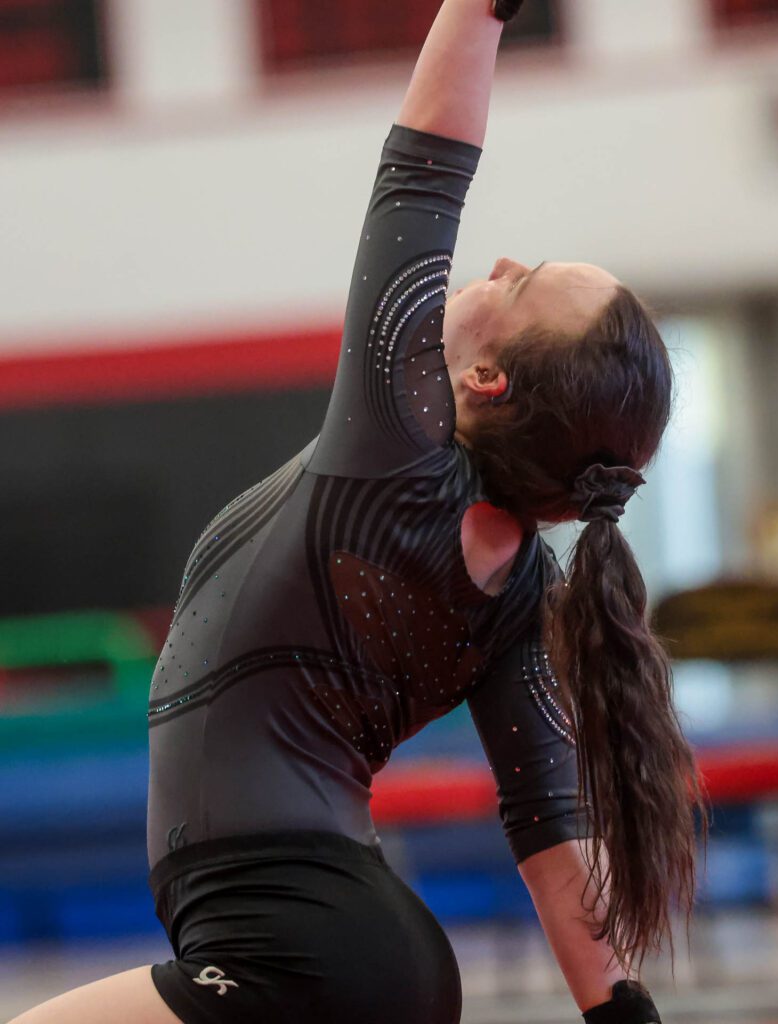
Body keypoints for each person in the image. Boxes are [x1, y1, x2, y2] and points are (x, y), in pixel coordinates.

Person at [11, 1, 706, 1022]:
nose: (503, 261)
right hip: (369, 955)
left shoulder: (396, 449)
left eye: (525, 284)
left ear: (482, 376)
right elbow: (551, 832)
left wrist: (478, 10)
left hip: (300, 950)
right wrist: (617, 1013)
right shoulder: (520, 590)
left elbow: (421, 174)